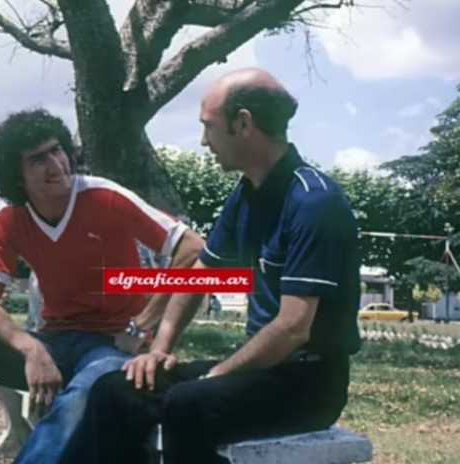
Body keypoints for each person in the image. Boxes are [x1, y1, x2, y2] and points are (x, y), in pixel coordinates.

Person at [60, 68, 362, 464]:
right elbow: (199, 275)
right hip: (261, 371)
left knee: (188, 405)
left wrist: (219, 375)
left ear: (243, 124)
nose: (204, 141)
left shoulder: (314, 203)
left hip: (310, 383)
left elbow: (292, 328)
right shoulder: (247, 194)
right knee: (117, 389)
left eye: (208, 126)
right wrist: (159, 350)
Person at [0, 109, 204, 464]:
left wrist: (142, 323)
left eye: (57, 150)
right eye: (38, 159)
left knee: (85, 394)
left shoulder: (105, 197)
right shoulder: (9, 219)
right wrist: (31, 349)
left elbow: (192, 248)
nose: (56, 164)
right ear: (17, 176)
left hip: (112, 347)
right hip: (51, 341)